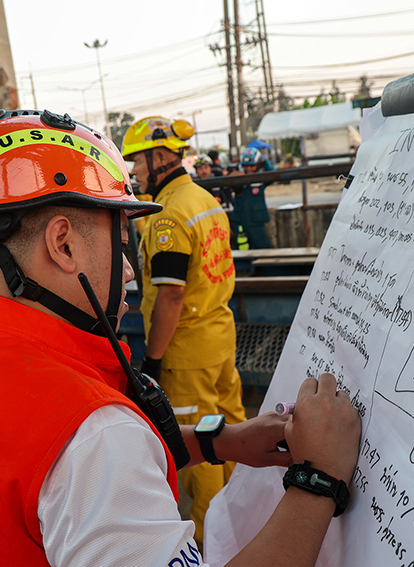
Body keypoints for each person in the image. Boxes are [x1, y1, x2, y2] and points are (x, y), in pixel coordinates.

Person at [0, 108, 361, 566]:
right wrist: (318, 478)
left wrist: (216, 442)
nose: (127, 270)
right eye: (121, 240)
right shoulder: (95, 437)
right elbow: (84, 460)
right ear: (62, 244)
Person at [122, 115, 249, 544]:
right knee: (233, 430)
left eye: (136, 161)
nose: (134, 170)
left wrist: (153, 361)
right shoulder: (202, 199)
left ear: (160, 157)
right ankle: (244, 517)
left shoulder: (168, 216)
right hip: (219, 336)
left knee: (203, 448)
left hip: (187, 353)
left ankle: (206, 541)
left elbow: (171, 297)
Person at [230, 147, 273, 249]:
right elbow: (230, 179)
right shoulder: (239, 177)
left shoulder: (261, 178)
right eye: (245, 166)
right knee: (242, 249)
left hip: (256, 221)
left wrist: (264, 161)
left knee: (262, 248)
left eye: (252, 166)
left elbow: (272, 174)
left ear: (258, 165)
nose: (248, 169)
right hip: (240, 221)